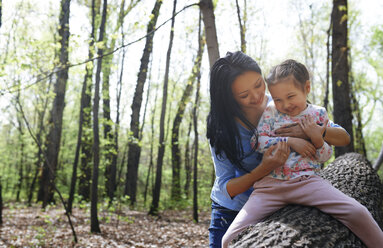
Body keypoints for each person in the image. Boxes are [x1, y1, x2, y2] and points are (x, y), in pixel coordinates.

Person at [221, 59, 383, 248]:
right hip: (270, 188)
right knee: (228, 239)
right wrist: (289, 141)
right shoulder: (271, 113)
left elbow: (324, 156)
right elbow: (257, 141)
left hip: (307, 183)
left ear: (306, 88)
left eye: (290, 96)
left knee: (358, 212)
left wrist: (317, 137)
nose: (286, 104)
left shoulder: (318, 115)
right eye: (278, 99)